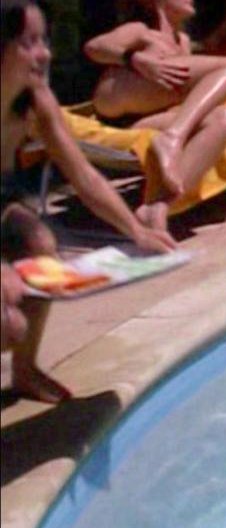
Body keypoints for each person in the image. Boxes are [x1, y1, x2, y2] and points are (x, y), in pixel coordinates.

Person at [1, 0, 176, 402]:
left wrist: (137, 232)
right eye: (29, 43)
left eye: (44, 40)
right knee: (9, 325)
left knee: (40, 244)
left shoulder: (35, 99)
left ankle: (25, 372)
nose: (45, 53)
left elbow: (83, 175)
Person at [83, 0, 226, 231]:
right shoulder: (141, 30)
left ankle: (158, 206)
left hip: (147, 120)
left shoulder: (184, 41)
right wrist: (134, 58)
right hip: (117, 110)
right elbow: (94, 47)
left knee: (224, 119)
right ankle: (172, 137)